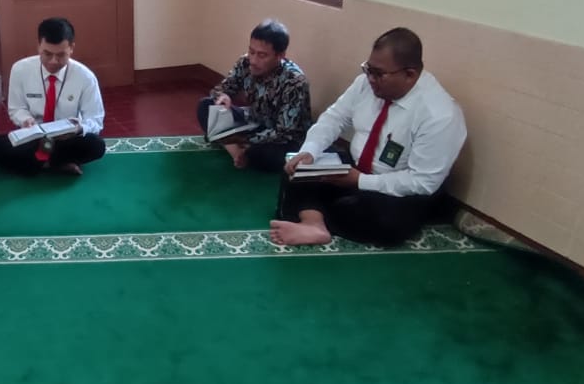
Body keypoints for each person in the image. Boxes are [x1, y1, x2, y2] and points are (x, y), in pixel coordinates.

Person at [270, 27, 466, 248]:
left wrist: (360, 181)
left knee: (382, 219)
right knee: (297, 170)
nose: (370, 79)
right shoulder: (365, 84)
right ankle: (314, 223)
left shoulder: (439, 114)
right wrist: (310, 151)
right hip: (356, 169)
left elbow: (422, 182)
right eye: (368, 69)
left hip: (397, 188)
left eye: (378, 74)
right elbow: (334, 118)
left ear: (410, 74)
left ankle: (316, 214)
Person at [0, 17, 107, 175]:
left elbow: (95, 120)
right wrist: (25, 120)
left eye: (61, 55)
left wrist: (80, 128)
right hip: (32, 139)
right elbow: (16, 108)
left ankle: (35, 165)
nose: (53, 61)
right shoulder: (20, 70)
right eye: (47, 54)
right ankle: (57, 163)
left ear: (71, 48)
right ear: (39, 46)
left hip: (65, 141)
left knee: (96, 145)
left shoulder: (85, 77)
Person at [197, 19, 312, 171]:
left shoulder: (295, 81)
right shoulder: (245, 62)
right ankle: (237, 152)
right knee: (205, 105)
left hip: (283, 139)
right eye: (251, 52)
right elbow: (221, 89)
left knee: (268, 155)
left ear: (280, 56)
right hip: (254, 122)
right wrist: (222, 96)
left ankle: (238, 147)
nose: (253, 60)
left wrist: (246, 140)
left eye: (262, 55)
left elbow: (284, 133)